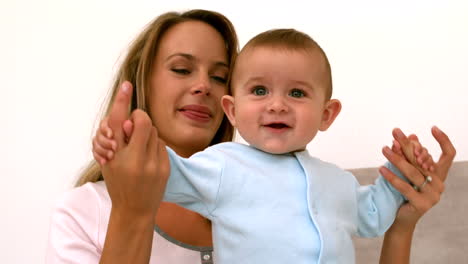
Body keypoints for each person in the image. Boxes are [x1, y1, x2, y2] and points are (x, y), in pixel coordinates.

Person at [45, 9, 456, 264]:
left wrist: (400, 177)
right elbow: (157, 174)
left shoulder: (337, 182)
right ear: (234, 108)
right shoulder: (218, 171)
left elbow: (372, 214)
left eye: (219, 75)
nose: (203, 86)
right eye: (182, 68)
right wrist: (126, 144)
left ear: (326, 114)